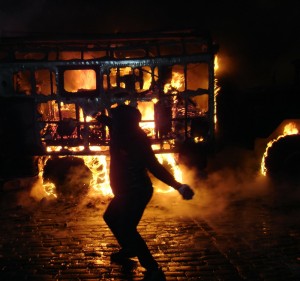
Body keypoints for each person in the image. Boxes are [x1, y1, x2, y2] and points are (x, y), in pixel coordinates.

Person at [96, 103, 195, 281]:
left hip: (136, 191)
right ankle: (128, 248)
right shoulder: (120, 130)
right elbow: (109, 122)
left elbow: (155, 166)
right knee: (110, 217)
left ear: (127, 122)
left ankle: (153, 268)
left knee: (127, 227)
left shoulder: (137, 140)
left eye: (118, 118)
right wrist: (98, 116)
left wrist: (178, 186)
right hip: (124, 191)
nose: (115, 121)